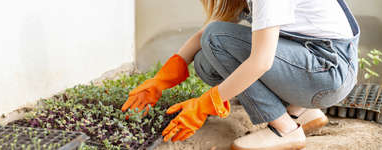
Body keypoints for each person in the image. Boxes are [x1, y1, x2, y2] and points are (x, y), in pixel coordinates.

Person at [122, 0, 360, 149]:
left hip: (328, 70)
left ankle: (285, 130)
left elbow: (260, 61)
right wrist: (161, 80)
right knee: (206, 61)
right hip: (316, 63)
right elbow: (205, 33)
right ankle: (302, 111)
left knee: (217, 40)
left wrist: (205, 104)